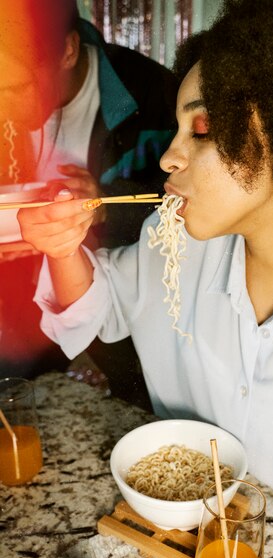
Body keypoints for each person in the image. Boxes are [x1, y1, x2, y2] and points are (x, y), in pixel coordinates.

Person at [18, 0, 273, 507]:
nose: (168, 156)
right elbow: (98, 306)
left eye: (201, 129)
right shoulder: (174, 249)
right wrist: (61, 246)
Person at [0, 0, 178, 395]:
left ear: (67, 50)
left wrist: (104, 205)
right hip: (25, 316)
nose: (4, 108)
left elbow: (186, 208)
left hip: (121, 324)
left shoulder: (151, 96)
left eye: (15, 88)